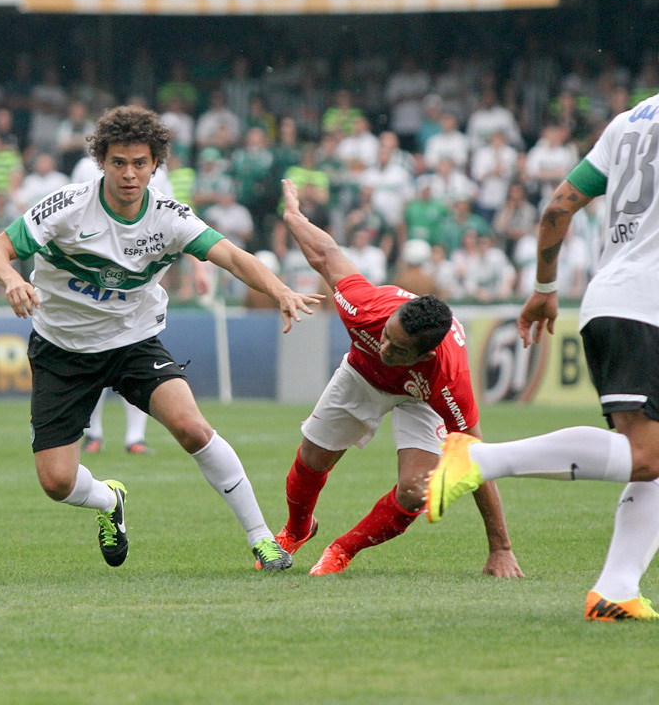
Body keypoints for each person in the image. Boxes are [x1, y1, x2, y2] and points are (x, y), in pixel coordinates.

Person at [0, 105, 322, 570]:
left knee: (192, 427)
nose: (129, 173)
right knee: (56, 483)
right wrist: (12, 280)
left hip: (132, 342)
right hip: (62, 349)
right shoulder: (67, 206)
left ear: (155, 164)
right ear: (102, 161)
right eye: (119, 162)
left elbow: (232, 257)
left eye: (140, 163)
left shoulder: (169, 217)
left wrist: (280, 289)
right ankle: (108, 501)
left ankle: (261, 538)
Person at [426, 84, 659, 622]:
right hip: (645, 306)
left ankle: (616, 590)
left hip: (613, 298)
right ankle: (480, 458)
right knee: (646, 454)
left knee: (652, 457)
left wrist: (545, 288)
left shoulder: (628, 122)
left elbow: (558, 207)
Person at [268, 178, 523, 578]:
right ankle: (297, 529)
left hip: (419, 399)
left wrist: (501, 547)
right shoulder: (365, 307)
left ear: (424, 354)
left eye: (398, 349)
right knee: (312, 459)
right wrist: (294, 217)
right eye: (386, 335)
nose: (386, 347)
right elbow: (326, 253)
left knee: (414, 490)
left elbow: (475, 459)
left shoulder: (447, 378)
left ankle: (342, 550)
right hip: (362, 376)